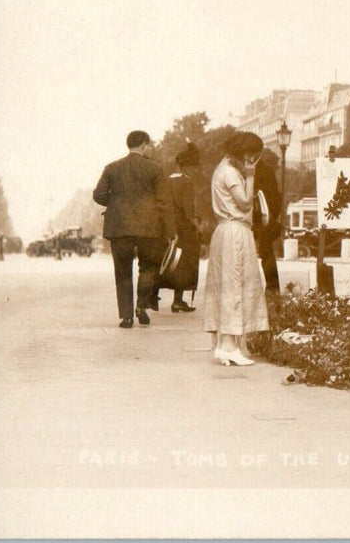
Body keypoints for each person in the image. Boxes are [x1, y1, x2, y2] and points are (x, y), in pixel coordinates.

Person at [92, 130, 173, 328]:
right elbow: (164, 202)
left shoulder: (112, 168)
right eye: (149, 146)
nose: (150, 149)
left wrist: (116, 204)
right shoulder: (155, 170)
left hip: (119, 226)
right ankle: (142, 306)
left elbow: (98, 194)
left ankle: (126, 316)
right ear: (144, 145)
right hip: (149, 227)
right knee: (148, 267)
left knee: (122, 271)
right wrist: (170, 231)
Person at [202, 132, 269, 366]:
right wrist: (251, 176)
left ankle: (224, 345)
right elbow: (245, 202)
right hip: (235, 233)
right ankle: (230, 346)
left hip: (225, 232)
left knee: (226, 286)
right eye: (251, 154)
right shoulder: (231, 172)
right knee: (235, 285)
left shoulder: (222, 168)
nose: (252, 159)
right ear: (243, 151)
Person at [156, 142, 203, 312]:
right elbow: (188, 211)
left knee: (169, 262)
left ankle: (153, 296)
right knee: (185, 264)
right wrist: (198, 226)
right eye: (194, 166)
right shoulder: (187, 182)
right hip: (184, 227)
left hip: (167, 226)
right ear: (188, 166)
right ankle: (178, 300)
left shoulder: (166, 180)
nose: (196, 170)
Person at [252, 148, 283, 294]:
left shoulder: (262, 170)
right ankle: (272, 287)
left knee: (266, 254)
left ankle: (272, 286)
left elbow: (274, 198)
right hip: (259, 219)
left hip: (261, 219)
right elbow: (277, 198)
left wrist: (268, 218)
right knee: (266, 253)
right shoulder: (260, 169)